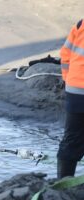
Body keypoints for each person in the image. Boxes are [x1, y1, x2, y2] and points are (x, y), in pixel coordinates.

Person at [57, 19, 84, 178]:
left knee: (71, 139)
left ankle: (63, 183)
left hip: (75, 91)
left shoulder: (81, 24)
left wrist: (69, 80)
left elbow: (65, 53)